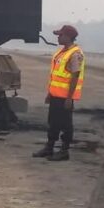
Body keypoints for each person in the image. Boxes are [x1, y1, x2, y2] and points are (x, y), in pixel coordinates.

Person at [33, 25, 85, 161]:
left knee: (66, 124)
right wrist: (50, 93)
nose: (58, 37)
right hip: (56, 95)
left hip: (65, 98)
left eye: (60, 35)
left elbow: (75, 76)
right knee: (53, 123)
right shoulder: (62, 52)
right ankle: (49, 147)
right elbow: (56, 75)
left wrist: (69, 98)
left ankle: (64, 151)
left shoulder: (75, 54)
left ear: (68, 37)